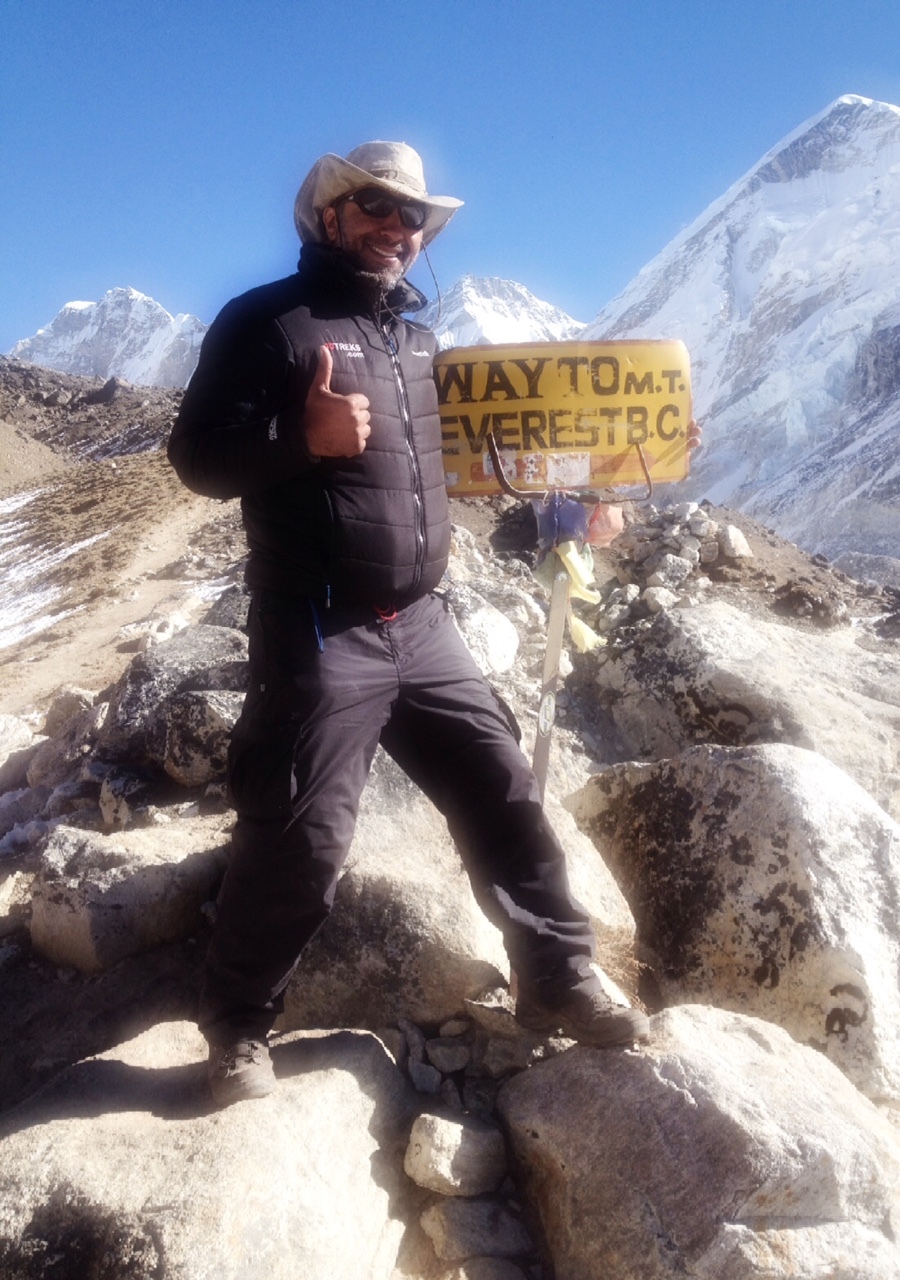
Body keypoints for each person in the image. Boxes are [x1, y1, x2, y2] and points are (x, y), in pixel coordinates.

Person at [167, 140, 649, 1107]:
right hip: (317, 624)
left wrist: (572, 514)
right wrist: (298, 441)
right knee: (301, 834)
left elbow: (462, 481)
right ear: (330, 215)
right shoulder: (268, 322)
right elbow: (197, 459)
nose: (399, 229)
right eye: (378, 208)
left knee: (504, 793)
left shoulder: (420, 346)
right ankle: (236, 1025)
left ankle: (556, 976)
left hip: (424, 622)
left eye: (413, 217)